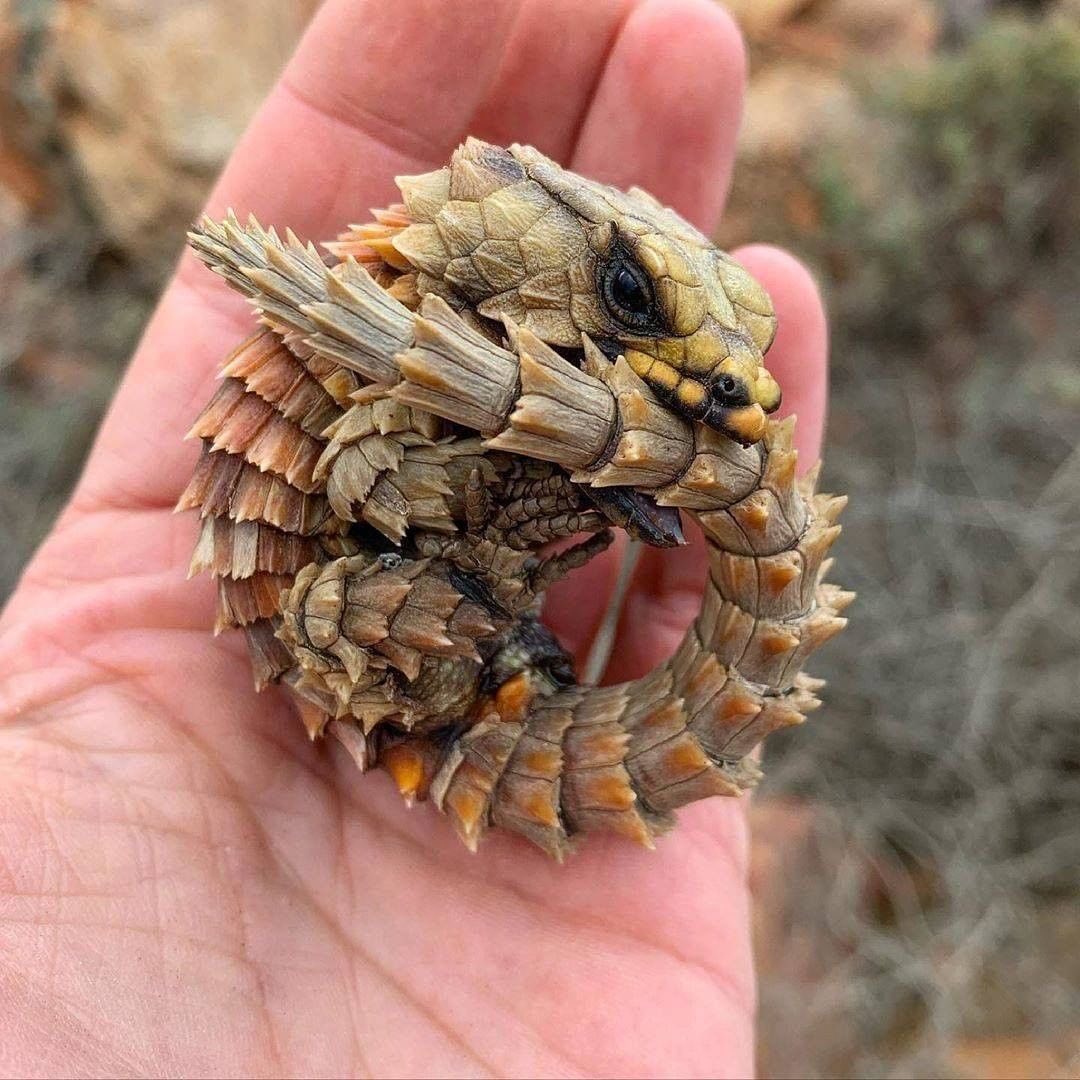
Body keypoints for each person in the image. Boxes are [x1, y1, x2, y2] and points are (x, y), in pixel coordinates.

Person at [0, 1, 828, 1074]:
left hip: (455, 630)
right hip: (356, 626)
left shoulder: (489, 340)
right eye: (625, 295)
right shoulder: (387, 331)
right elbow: (369, 476)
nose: (725, 386)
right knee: (393, 534)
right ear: (499, 245)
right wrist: (559, 479)